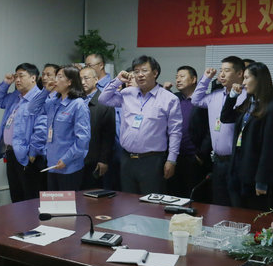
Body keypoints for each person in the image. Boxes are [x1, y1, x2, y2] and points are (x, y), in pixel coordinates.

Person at [99, 55, 182, 195]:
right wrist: (118, 80)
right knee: (128, 200)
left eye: (144, 70)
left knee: (151, 202)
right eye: (136, 71)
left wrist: (172, 160)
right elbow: (103, 99)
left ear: (155, 73)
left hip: (152, 160)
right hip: (127, 159)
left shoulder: (169, 99)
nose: (140, 75)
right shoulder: (127, 93)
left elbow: (175, 132)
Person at [221, 62, 273, 210]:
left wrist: (262, 180)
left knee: (251, 218)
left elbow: (270, 147)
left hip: (254, 174)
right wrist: (232, 97)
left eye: (246, 78)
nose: (243, 83)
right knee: (235, 215)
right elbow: (225, 117)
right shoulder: (249, 103)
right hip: (236, 169)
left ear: (259, 79)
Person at [191, 56, 246, 206]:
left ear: (239, 73)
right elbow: (195, 100)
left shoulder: (246, 96)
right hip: (217, 160)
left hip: (236, 161)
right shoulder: (214, 95)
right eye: (221, 71)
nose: (221, 74)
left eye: (226, 71)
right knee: (218, 203)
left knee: (236, 205)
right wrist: (206, 79)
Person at [0, 63, 47, 202]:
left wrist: (33, 153)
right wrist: (6, 83)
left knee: (30, 198)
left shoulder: (40, 99)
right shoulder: (15, 97)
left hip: (29, 155)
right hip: (11, 152)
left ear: (33, 78)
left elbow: (42, 129)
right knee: (16, 196)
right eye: (16, 76)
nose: (17, 80)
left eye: (21, 76)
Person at [33, 66, 91, 191]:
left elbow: (83, 139)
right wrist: (45, 91)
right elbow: (32, 108)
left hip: (69, 166)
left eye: (60, 77)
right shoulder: (54, 102)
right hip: (52, 164)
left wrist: (66, 159)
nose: (55, 80)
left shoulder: (78, 104)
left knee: (67, 203)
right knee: (53, 202)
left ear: (69, 82)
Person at [167, 66, 212, 200]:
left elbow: (210, 130)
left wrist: (201, 155)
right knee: (174, 196)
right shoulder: (174, 98)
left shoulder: (204, 101)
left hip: (194, 158)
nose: (178, 80)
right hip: (174, 157)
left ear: (193, 79)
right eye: (176, 77)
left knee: (194, 198)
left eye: (182, 76)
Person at [79, 66, 115, 190]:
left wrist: (103, 160)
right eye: (80, 79)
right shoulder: (76, 100)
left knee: (90, 194)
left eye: (86, 78)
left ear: (96, 80)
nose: (82, 82)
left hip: (93, 159)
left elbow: (108, 135)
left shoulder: (104, 102)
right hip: (76, 158)